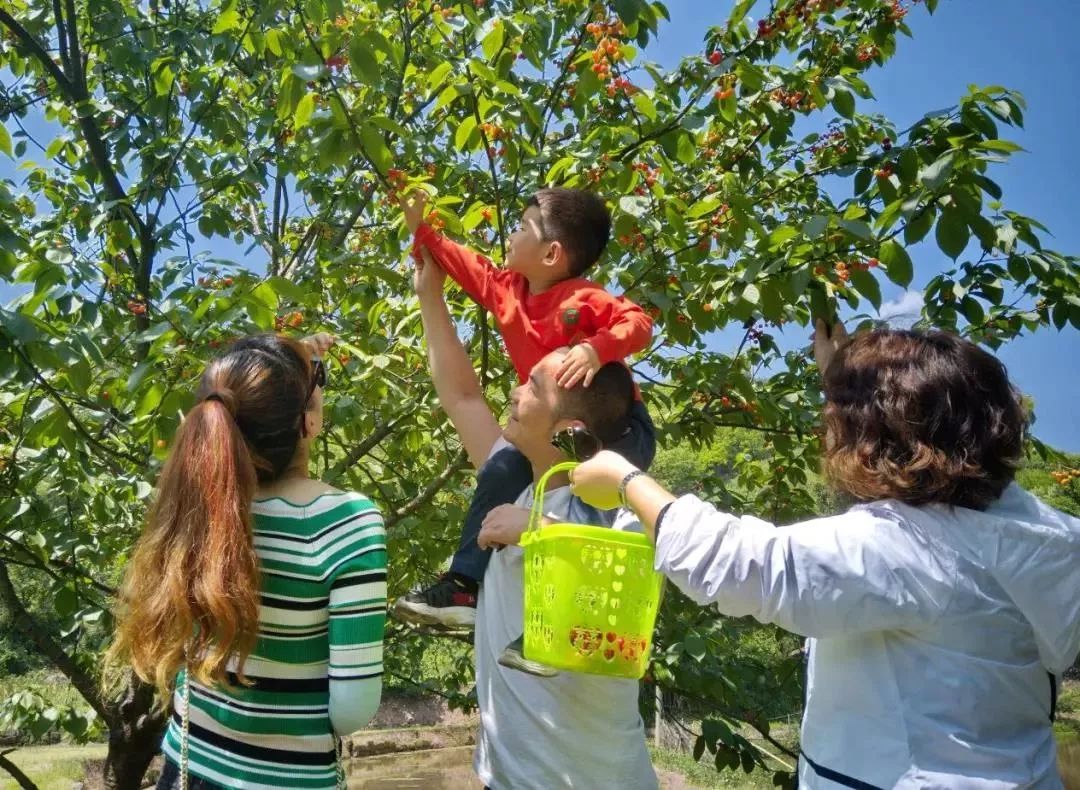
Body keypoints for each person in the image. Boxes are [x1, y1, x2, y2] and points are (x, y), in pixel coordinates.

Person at [569, 320, 1080, 788]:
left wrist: (626, 479)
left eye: (842, 420)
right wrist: (845, 376)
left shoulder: (910, 549)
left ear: (878, 434)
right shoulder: (1043, 531)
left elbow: (738, 564)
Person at [411, 248, 658, 788]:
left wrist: (538, 533)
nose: (517, 387)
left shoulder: (620, 507)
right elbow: (460, 394)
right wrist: (430, 293)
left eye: (534, 387)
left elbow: (621, 575)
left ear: (567, 429)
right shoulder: (519, 487)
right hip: (504, 776)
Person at [106, 334, 386, 789]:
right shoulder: (347, 523)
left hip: (189, 767)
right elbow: (352, 710)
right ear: (309, 424)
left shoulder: (195, 509)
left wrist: (296, 363)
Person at [393, 188, 656, 659]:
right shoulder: (506, 291)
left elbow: (637, 324)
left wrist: (597, 348)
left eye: (521, 226)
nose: (508, 234)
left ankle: (565, 631)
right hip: (552, 434)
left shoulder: (582, 299)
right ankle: (465, 584)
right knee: (498, 474)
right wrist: (421, 232)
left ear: (552, 253)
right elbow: (458, 261)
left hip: (618, 431)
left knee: (592, 505)